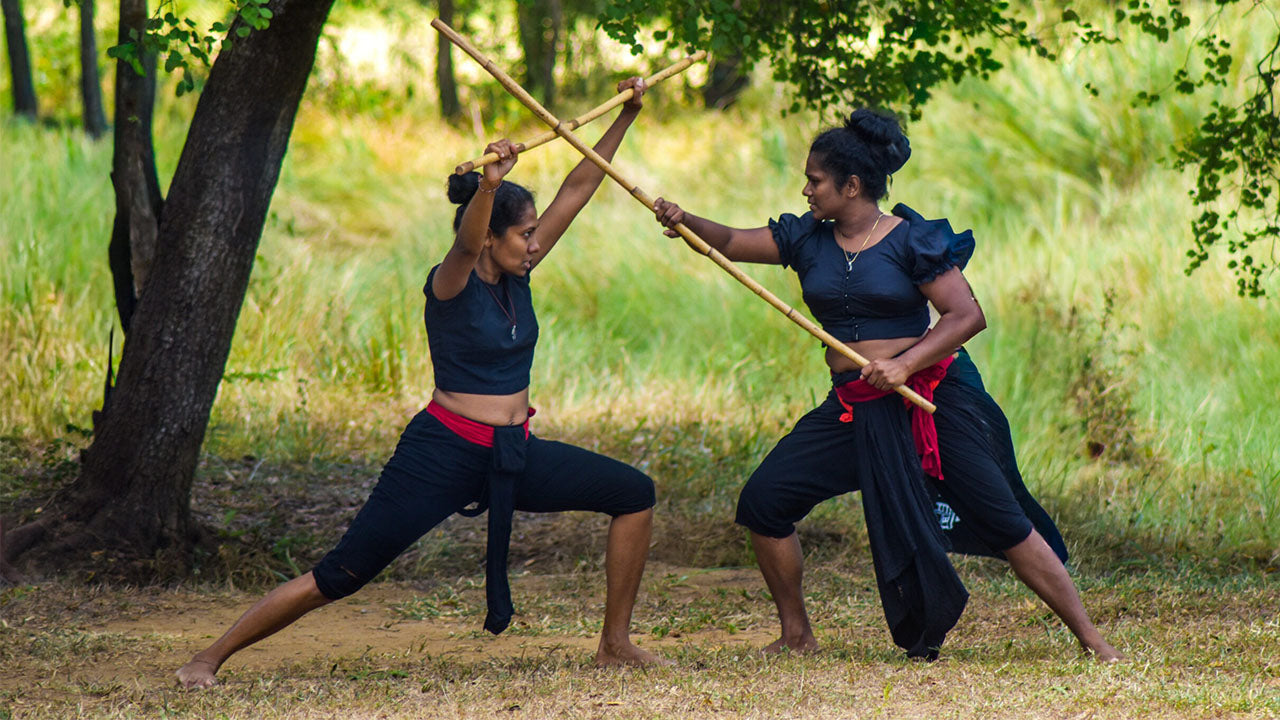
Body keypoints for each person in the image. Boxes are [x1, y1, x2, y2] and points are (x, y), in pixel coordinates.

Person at [177, 77, 665, 689]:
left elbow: (579, 186)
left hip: (513, 452)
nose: (536, 243)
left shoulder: (522, 271)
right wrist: (489, 186)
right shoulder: (451, 282)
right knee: (343, 574)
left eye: (536, 233)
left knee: (634, 494)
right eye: (524, 234)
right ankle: (207, 658)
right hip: (443, 452)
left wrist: (627, 114)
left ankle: (614, 644)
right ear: (490, 236)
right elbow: (465, 242)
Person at [654, 108, 1121, 661]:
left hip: (930, 398)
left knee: (1002, 519)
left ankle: (1095, 642)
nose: (805, 190)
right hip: (855, 407)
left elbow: (966, 316)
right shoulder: (807, 240)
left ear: (852, 186)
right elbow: (730, 240)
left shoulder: (912, 240)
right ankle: (796, 635)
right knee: (765, 500)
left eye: (815, 180)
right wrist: (686, 220)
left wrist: (904, 363)